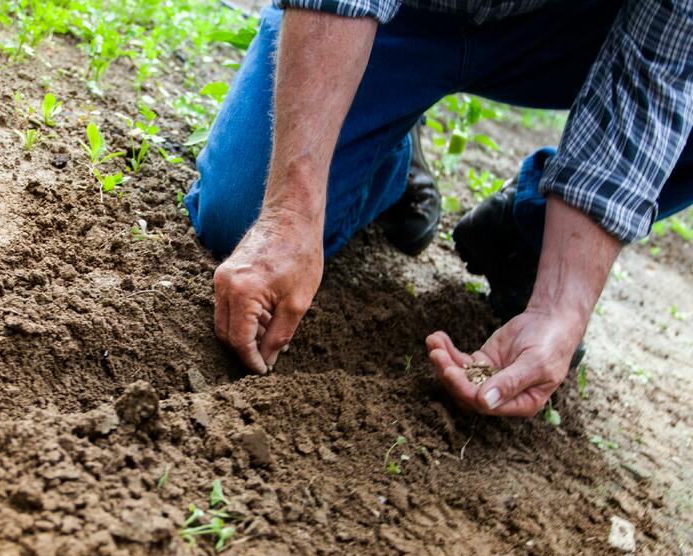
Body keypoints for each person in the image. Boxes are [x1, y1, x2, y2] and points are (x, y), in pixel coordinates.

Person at [184, 0, 693, 417]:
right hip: (404, 15)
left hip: (568, 32)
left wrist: (560, 307)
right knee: (241, 214)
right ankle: (390, 155)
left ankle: (529, 234)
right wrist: (289, 213)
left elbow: (658, 72)